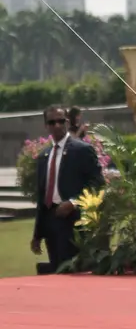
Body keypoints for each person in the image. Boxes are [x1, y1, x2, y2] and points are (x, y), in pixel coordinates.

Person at [31, 105, 105, 272]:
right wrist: (37, 235)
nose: (56, 125)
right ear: (46, 126)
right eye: (51, 122)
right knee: (56, 271)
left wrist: (73, 202)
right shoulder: (44, 156)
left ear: (66, 122)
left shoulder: (82, 150)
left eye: (60, 121)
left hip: (74, 221)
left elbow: (97, 182)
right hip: (51, 222)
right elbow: (42, 197)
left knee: (73, 273)